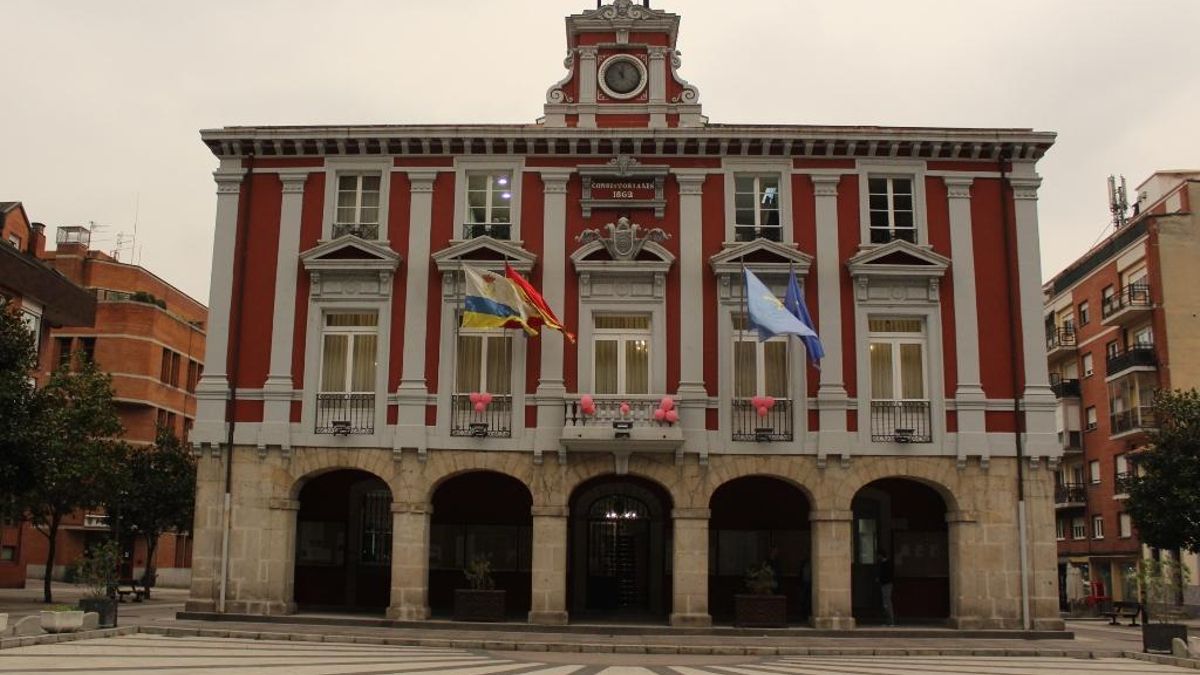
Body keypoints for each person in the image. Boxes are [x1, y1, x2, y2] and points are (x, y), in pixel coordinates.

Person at [878, 550, 895, 626]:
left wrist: (880, 579)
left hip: (886, 584)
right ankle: (888, 621)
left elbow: (887, 575)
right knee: (885, 603)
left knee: (887, 603)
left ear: (881, 555)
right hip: (885, 584)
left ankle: (891, 621)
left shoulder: (886, 564)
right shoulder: (884, 563)